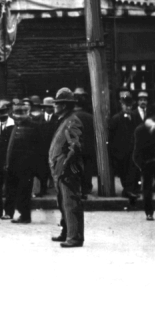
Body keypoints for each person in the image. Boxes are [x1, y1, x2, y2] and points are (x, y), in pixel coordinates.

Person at [48, 88, 88, 248]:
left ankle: (75, 237)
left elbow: (75, 146)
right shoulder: (66, 120)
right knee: (63, 203)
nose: (54, 107)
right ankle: (67, 232)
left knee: (71, 204)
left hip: (67, 171)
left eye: (57, 104)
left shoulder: (72, 121)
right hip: (61, 171)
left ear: (64, 106)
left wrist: (65, 166)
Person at [4, 100, 41, 224]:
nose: (19, 115)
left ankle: (25, 216)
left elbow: (37, 148)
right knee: (14, 190)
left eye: (22, 112)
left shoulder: (33, 126)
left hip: (26, 166)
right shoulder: (14, 127)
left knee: (24, 192)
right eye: (17, 112)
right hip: (14, 164)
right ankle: (20, 214)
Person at [108, 93, 141, 202]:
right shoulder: (116, 118)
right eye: (126, 105)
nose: (128, 107)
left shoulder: (135, 117)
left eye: (130, 105)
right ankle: (127, 190)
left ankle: (133, 189)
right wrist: (114, 150)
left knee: (134, 170)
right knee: (124, 170)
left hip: (133, 150)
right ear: (121, 105)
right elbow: (111, 136)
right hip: (122, 151)